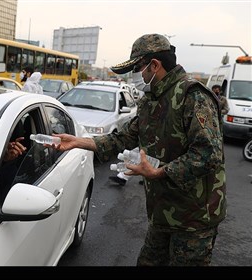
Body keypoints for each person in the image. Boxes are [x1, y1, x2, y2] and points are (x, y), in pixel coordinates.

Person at [49, 34, 226, 266]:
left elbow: (208, 154)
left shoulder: (192, 96)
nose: (137, 75)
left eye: (138, 68)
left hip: (194, 218)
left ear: (154, 65)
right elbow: (123, 138)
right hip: (162, 212)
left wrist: (159, 173)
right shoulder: (149, 101)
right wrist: (78, 142)